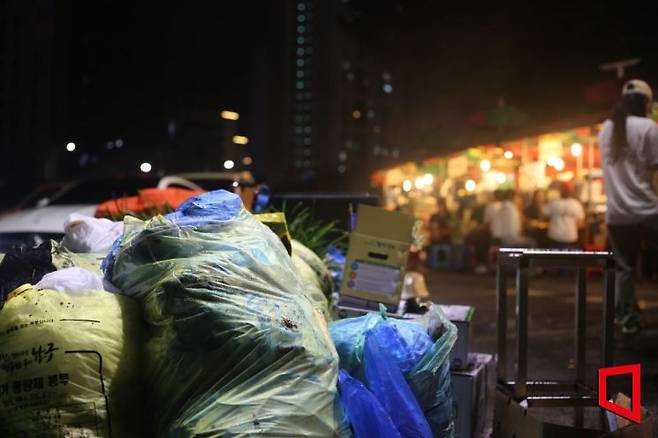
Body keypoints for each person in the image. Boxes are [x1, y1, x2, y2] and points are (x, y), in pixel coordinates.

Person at [599, 78, 658, 334]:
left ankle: (627, 319)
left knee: (624, 268)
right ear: (645, 102)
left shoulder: (606, 129)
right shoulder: (648, 127)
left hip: (617, 214)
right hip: (649, 210)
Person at [542, 183, 585, 248]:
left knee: (555, 257)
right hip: (570, 237)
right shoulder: (576, 204)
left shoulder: (554, 203)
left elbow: (543, 214)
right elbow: (581, 224)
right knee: (567, 258)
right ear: (571, 191)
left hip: (555, 236)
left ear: (560, 191)